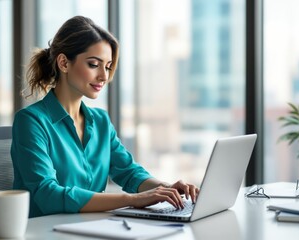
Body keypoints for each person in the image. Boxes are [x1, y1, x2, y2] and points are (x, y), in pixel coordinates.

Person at [11, 15, 198, 218]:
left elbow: (128, 172)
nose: (104, 76)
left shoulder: (100, 121)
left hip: (90, 228)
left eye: (108, 66)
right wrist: (132, 200)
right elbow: (48, 194)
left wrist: (167, 189)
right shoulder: (31, 121)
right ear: (64, 63)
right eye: (94, 64)